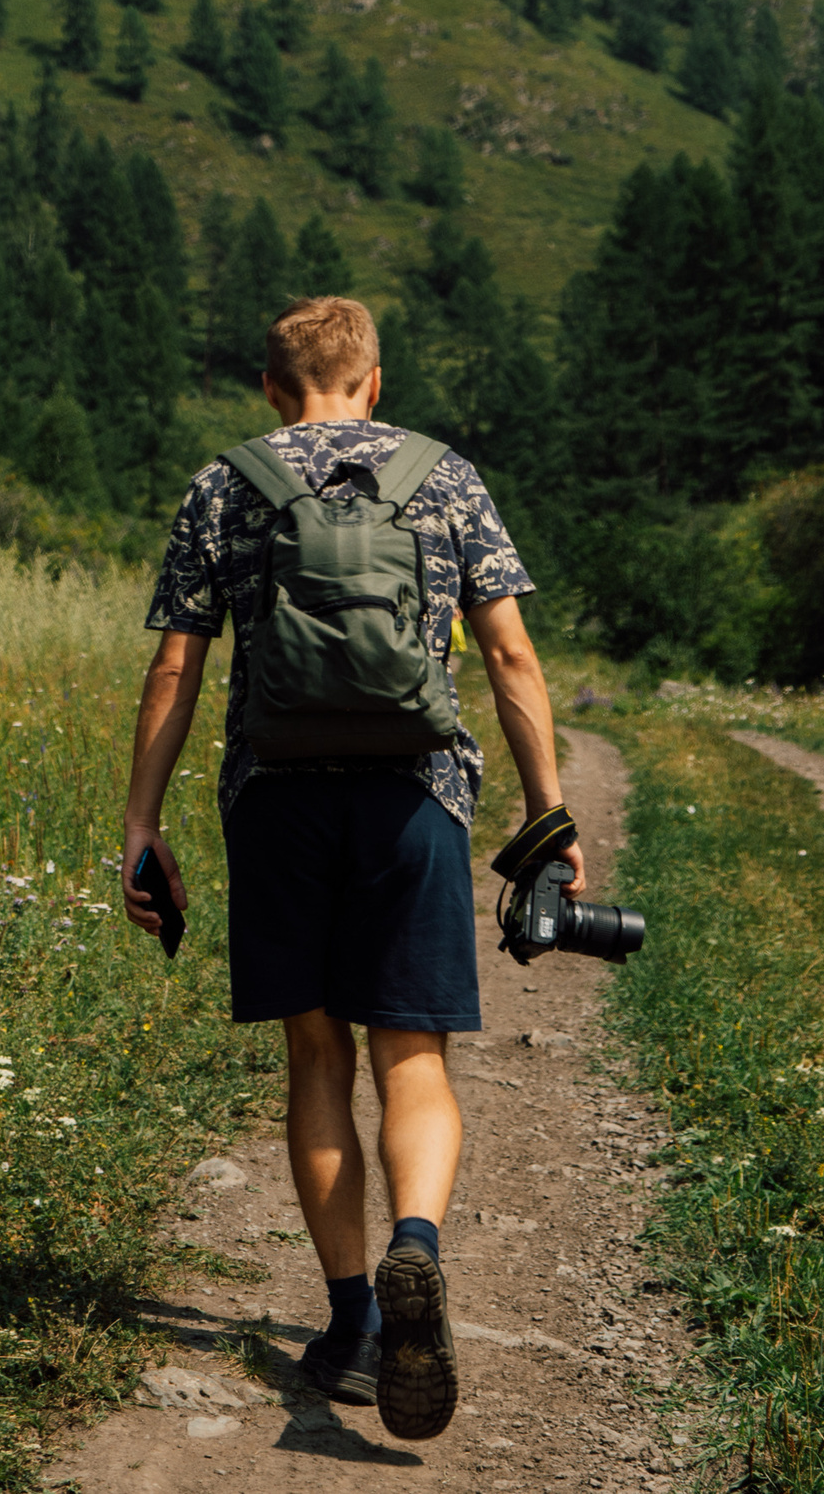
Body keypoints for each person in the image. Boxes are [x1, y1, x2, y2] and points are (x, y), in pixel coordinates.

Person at [119, 295, 582, 1442]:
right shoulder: (444, 475)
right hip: (414, 795)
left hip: (274, 800)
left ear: (271, 389)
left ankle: (349, 1323)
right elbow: (512, 655)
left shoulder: (224, 484)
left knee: (317, 1051)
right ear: (373, 381)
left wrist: (142, 822)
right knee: (411, 1054)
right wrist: (549, 815)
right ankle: (414, 1247)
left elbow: (176, 670)